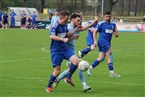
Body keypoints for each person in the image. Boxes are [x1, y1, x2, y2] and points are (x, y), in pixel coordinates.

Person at [53, 13, 98, 92]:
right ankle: (84, 85)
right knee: (81, 65)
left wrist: (92, 24)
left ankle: (58, 79)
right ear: (72, 20)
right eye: (78, 20)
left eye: (80, 21)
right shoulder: (68, 28)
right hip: (66, 52)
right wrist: (73, 37)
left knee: (71, 69)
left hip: (72, 51)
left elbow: (83, 28)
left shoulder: (75, 27)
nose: (79, 22)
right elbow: (64, 40)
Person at [45, 10, 82, 93]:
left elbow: (66, 35)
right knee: (57, 71)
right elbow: (51, 36)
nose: (66, 22)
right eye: (65, 20)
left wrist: (74, 33)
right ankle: (48, 86)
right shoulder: (55, 24)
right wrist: (62, 39)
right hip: (56, 50)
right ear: (60, 18)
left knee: (76, 61)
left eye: (67, 20)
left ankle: (68, 78)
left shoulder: (65, 25)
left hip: (65, 49)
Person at [87, 11, 121, 78]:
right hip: (103, 42)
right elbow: (95, 32)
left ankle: (90, 68)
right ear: (104, 17)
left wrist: (116, 33)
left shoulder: (113, 24)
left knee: (101, 57)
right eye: (107, 16)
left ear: (111, 16)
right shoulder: (101, 24)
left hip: (107, 42)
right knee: (109, 56)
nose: (108, 17)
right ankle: (111, 73)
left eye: (109, 16)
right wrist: (95, 41)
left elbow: (116, 34)